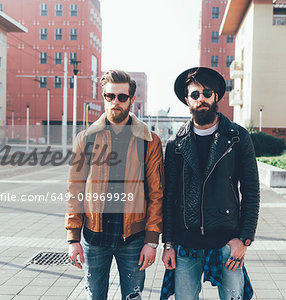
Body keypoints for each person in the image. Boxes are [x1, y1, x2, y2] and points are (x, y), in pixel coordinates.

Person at [161, 67, 260, 300]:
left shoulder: (237, 137)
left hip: (228, 242)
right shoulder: (176, 143)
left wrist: (244, 239)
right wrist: (168, 243)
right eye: (195, 94)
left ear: (216, 96)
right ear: (187, 100)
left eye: (207, 93)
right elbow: (169, 196)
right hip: (186, 244)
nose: (201, 99)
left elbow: (251, 191)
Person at [66, 70, 164, 300]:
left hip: (134, 239)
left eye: (122, 97)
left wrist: (152, 241)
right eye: (110, 96)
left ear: (131, 99)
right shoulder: (86, 138)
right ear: (104, 97)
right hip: (94, 238)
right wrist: (73, 239)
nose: (115, 102)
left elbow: (157, 193)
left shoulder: (149, 140)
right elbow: (75, 189)